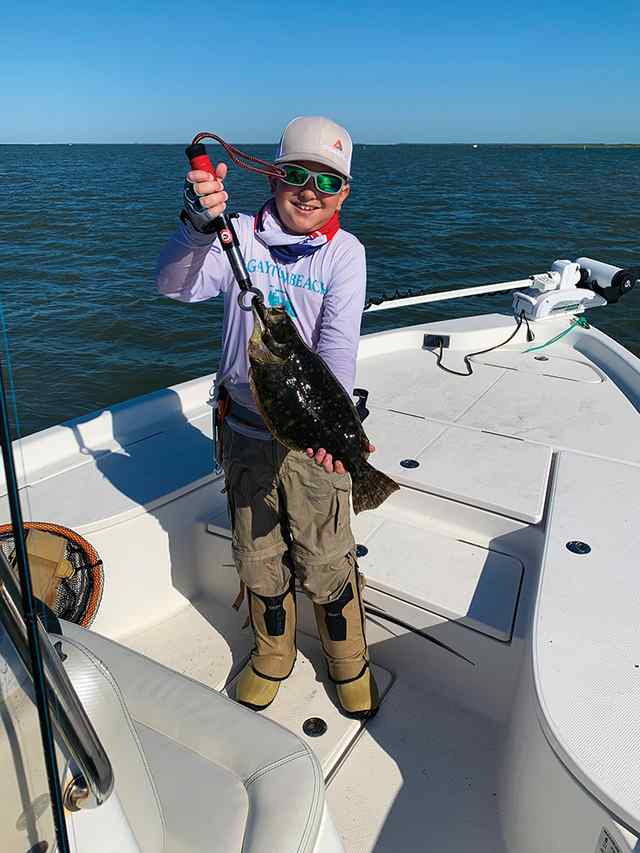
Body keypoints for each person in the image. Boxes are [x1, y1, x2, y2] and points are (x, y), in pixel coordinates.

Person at [155, 116, 379, 719]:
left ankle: (348, 658)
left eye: (327, 182)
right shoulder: (238, 237)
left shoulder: (343, 255)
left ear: (344, 192)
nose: (309, 191)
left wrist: (338, 435)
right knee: (256, 555)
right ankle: (273, 652)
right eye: (295, 175)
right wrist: (199, 228)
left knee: (326, 557)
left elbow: (336, 353)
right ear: (274, 175)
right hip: (246, 432)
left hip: (313, 442)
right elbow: (175, 287)